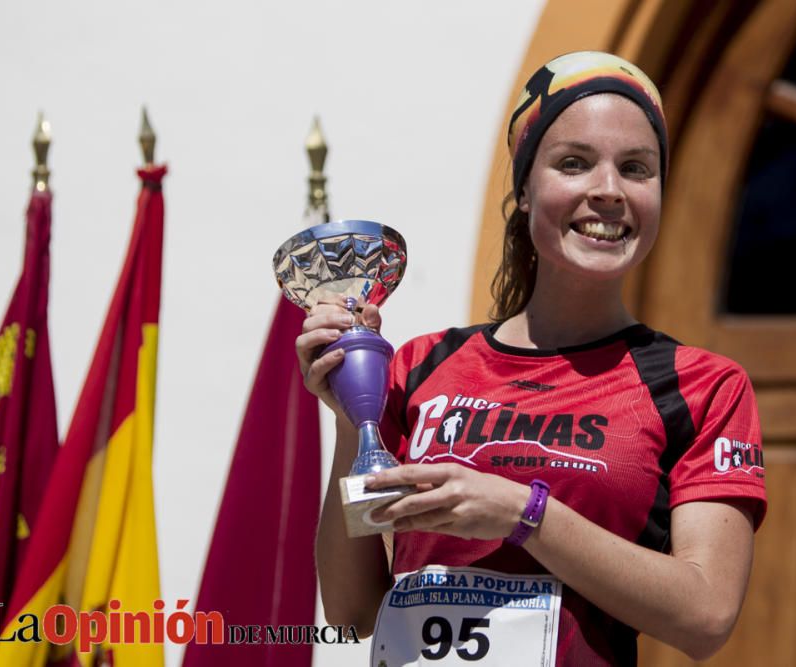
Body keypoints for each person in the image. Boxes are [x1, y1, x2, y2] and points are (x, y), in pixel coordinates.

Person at [298, 51, 767, 666]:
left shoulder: (703, 386)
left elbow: (706, 616)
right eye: (574, 164)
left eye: (636, 168)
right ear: (524, 190)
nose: (608, 191)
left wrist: (524, 514)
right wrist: (346, 419)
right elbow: (352, 609)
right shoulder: (419, 365)